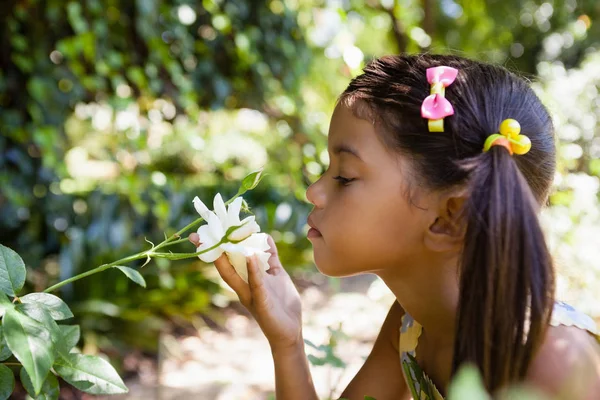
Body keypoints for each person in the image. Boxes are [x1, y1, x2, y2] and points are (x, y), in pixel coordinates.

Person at [189, 54, 600, 399]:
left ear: (448, 217)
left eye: (345, 176)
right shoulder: (412, 324)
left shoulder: (555, 363)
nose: (314, 191)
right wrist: (288, 341)